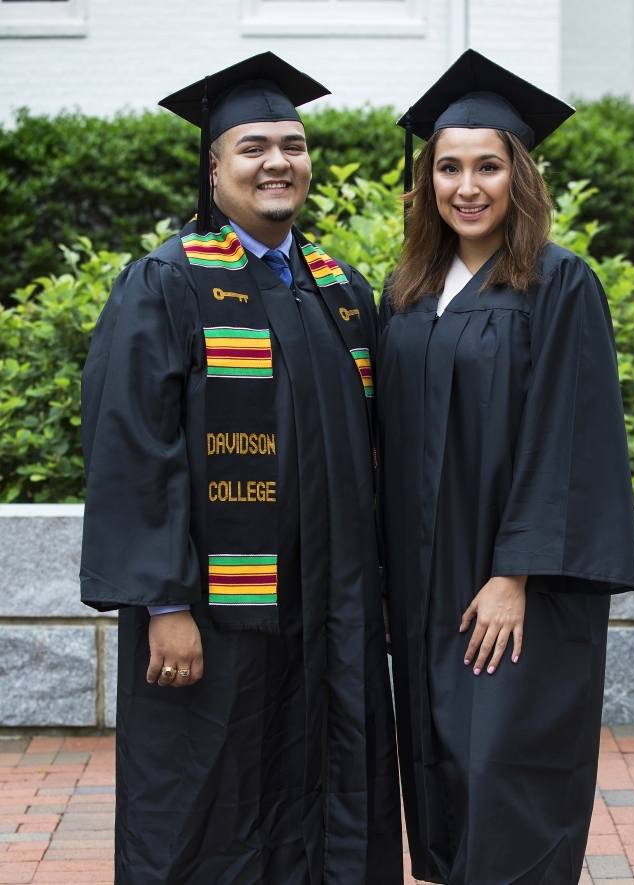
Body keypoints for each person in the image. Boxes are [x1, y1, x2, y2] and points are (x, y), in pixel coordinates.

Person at [80, 52, 402, 885]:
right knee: (210, 798)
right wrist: (165, 604)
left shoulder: (339, 289)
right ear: (214, 167)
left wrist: (380, 587)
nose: (277, 162)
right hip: (218, 615)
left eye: (292, 145)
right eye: (253, 147)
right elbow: (133, 446)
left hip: (332, 608)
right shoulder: (168, 282)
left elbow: (376, 452)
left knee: (327, 786)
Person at [377, 49, 634, 885]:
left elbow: (571, 434)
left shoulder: (559, 284)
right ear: (426, 180)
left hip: (515, 589)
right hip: (424, 585)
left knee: (504, 774)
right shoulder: (408, 290)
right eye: (448, 167)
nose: (467, 186)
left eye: (487, 166)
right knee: (444, 769)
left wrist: (513, 571)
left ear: (519, 175)